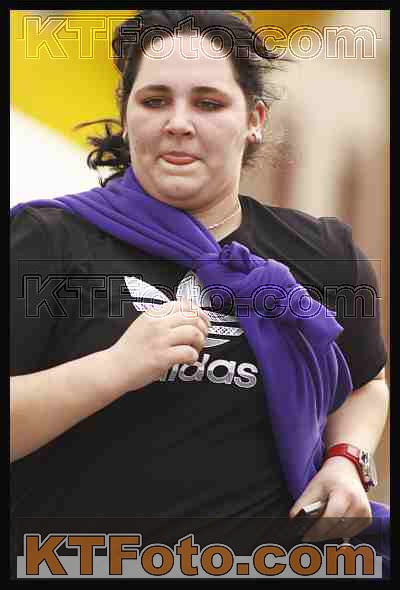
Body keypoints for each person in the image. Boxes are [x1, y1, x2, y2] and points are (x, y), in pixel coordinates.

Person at [10, 10, 389, 579]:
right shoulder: (45, 240)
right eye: (155, 100)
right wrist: (116, 367)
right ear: (127, 114)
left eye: (208, 103)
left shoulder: (323, 253)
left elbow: (365, 383)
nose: (178, 123)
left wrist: (347, 459)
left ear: (254, 120)